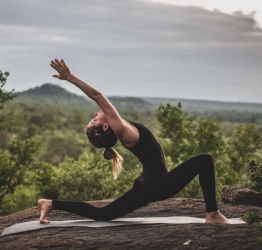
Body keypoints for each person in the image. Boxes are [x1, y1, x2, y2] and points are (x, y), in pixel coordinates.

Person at [38, 58, 231, 224]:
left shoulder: (122, 129)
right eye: (94, 119)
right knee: (204, 160)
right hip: (157, 185)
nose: (95, 114)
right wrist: (70, 77)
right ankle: (212, 213)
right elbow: (97, 96)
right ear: (106, 127)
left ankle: (50, 203)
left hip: (146, 185)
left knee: (102, 214)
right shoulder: (121, 130)